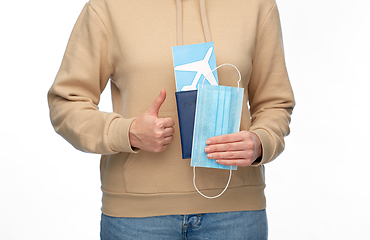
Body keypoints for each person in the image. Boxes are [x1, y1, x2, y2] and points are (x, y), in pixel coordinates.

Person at [48, 0, 295, 239]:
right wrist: (127, 132)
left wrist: (261, 141)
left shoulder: (257, 5)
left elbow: (274, 102)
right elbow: (66, 103)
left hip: (235, 214)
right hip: (137, 218)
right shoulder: (107, 6)